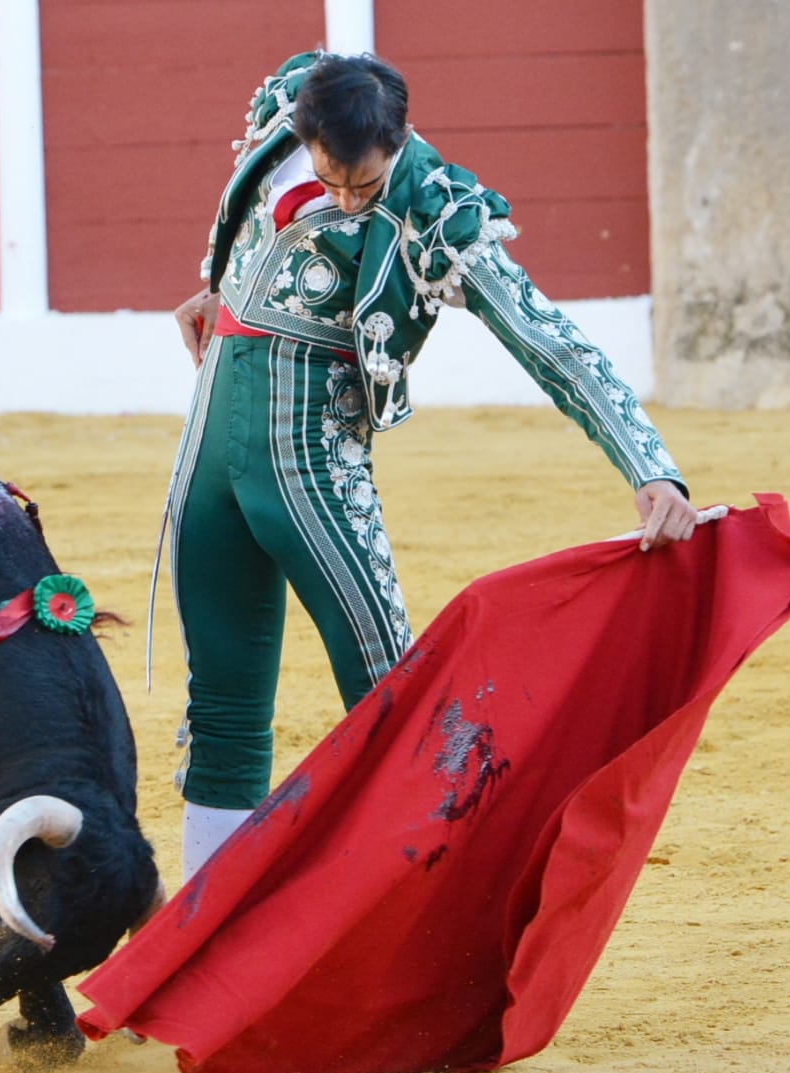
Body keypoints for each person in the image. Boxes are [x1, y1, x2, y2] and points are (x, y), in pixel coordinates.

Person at [164, 51, 700, 882]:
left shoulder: (436, 207)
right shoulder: (285, 109)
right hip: (209, 440)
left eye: (363, 185)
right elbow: (243, 207)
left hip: (309, 454)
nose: (345, 197)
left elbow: (546, 340)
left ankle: (439, 910)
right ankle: (199, 943)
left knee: (393, 703)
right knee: (223, 701)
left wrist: (650, 466)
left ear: (400, 138)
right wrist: (219, 288)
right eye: (329, 178)